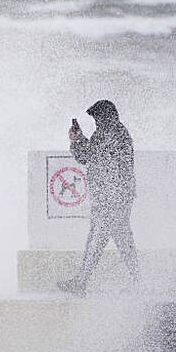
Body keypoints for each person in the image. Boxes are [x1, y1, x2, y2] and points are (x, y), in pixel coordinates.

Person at [57, 99, 140, 296]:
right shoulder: (108, 132)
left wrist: (78, 141)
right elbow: (89, 156)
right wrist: (77, 140)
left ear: (106, 116)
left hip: (113, 200)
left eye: (97, 119)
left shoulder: (114, 133)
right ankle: (137, 283)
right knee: (122, 240)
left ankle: (81, 282)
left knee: (98, 239)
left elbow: (91, 155)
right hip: (111, 199)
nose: (96, 123)